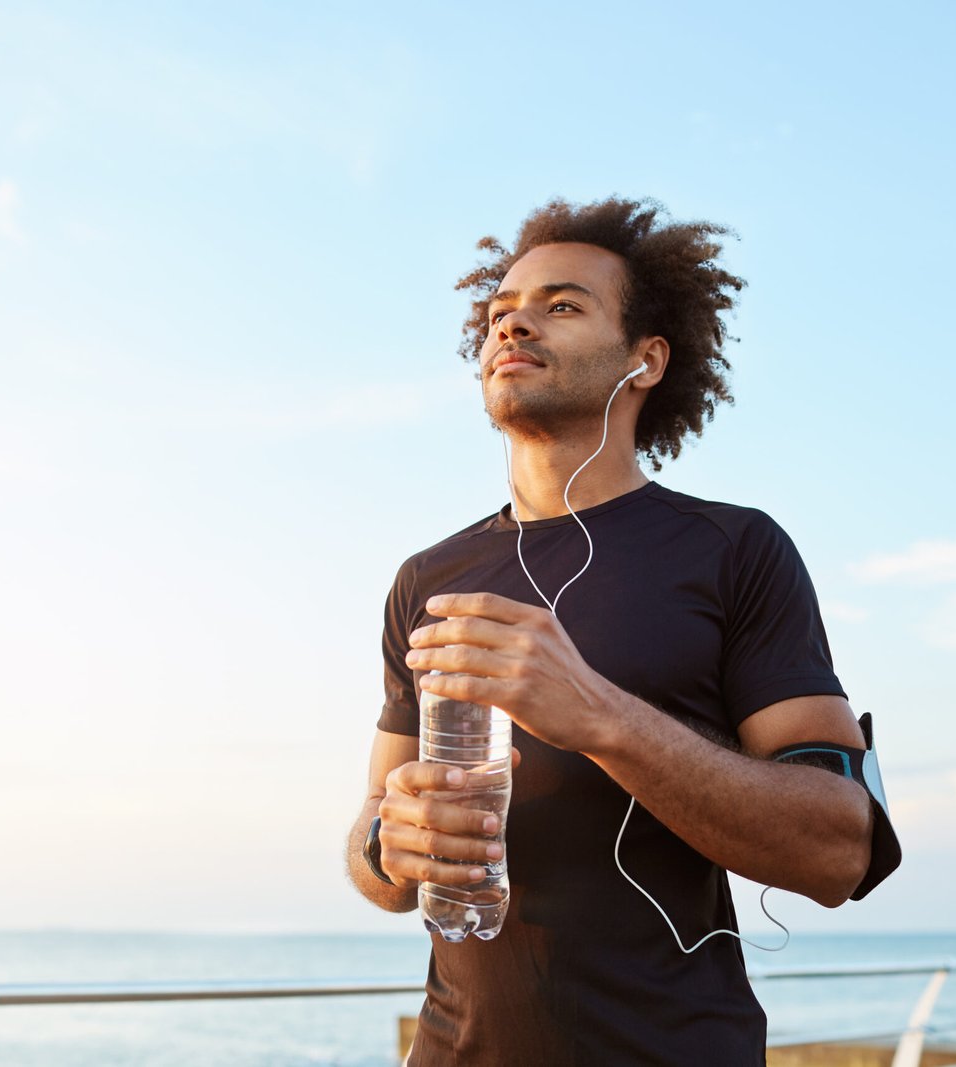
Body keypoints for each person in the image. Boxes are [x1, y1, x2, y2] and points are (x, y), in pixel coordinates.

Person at [344, 197, 899, 1065]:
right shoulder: (428, 578)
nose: (514, 321)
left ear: (646, 360)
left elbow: (840, 847)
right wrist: (391, 841)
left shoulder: (734, 550)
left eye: (562, 305)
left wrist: (600, 715)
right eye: (499, 313)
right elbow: (377, 850)